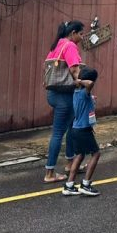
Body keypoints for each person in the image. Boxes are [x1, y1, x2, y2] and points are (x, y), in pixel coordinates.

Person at [43, 20, 83, 183]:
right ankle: (50, 172)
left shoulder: (57, 44)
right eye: (80, 33)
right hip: (64, 96)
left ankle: (70, 162)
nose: (81, 37)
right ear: (73, 33)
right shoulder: (70, 46)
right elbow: (74, 69)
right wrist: (83, 85)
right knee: (59, 132)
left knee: (71, 128)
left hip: (53, 93)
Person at [62, 67, 101, 197]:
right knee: (96, 154)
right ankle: (86, 184)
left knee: (79, 155)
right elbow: (90, 84)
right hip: (83, 129)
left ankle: (69, 185)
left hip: (76, 128)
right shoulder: (84, 91)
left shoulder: (77, 92)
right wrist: (80, 80)